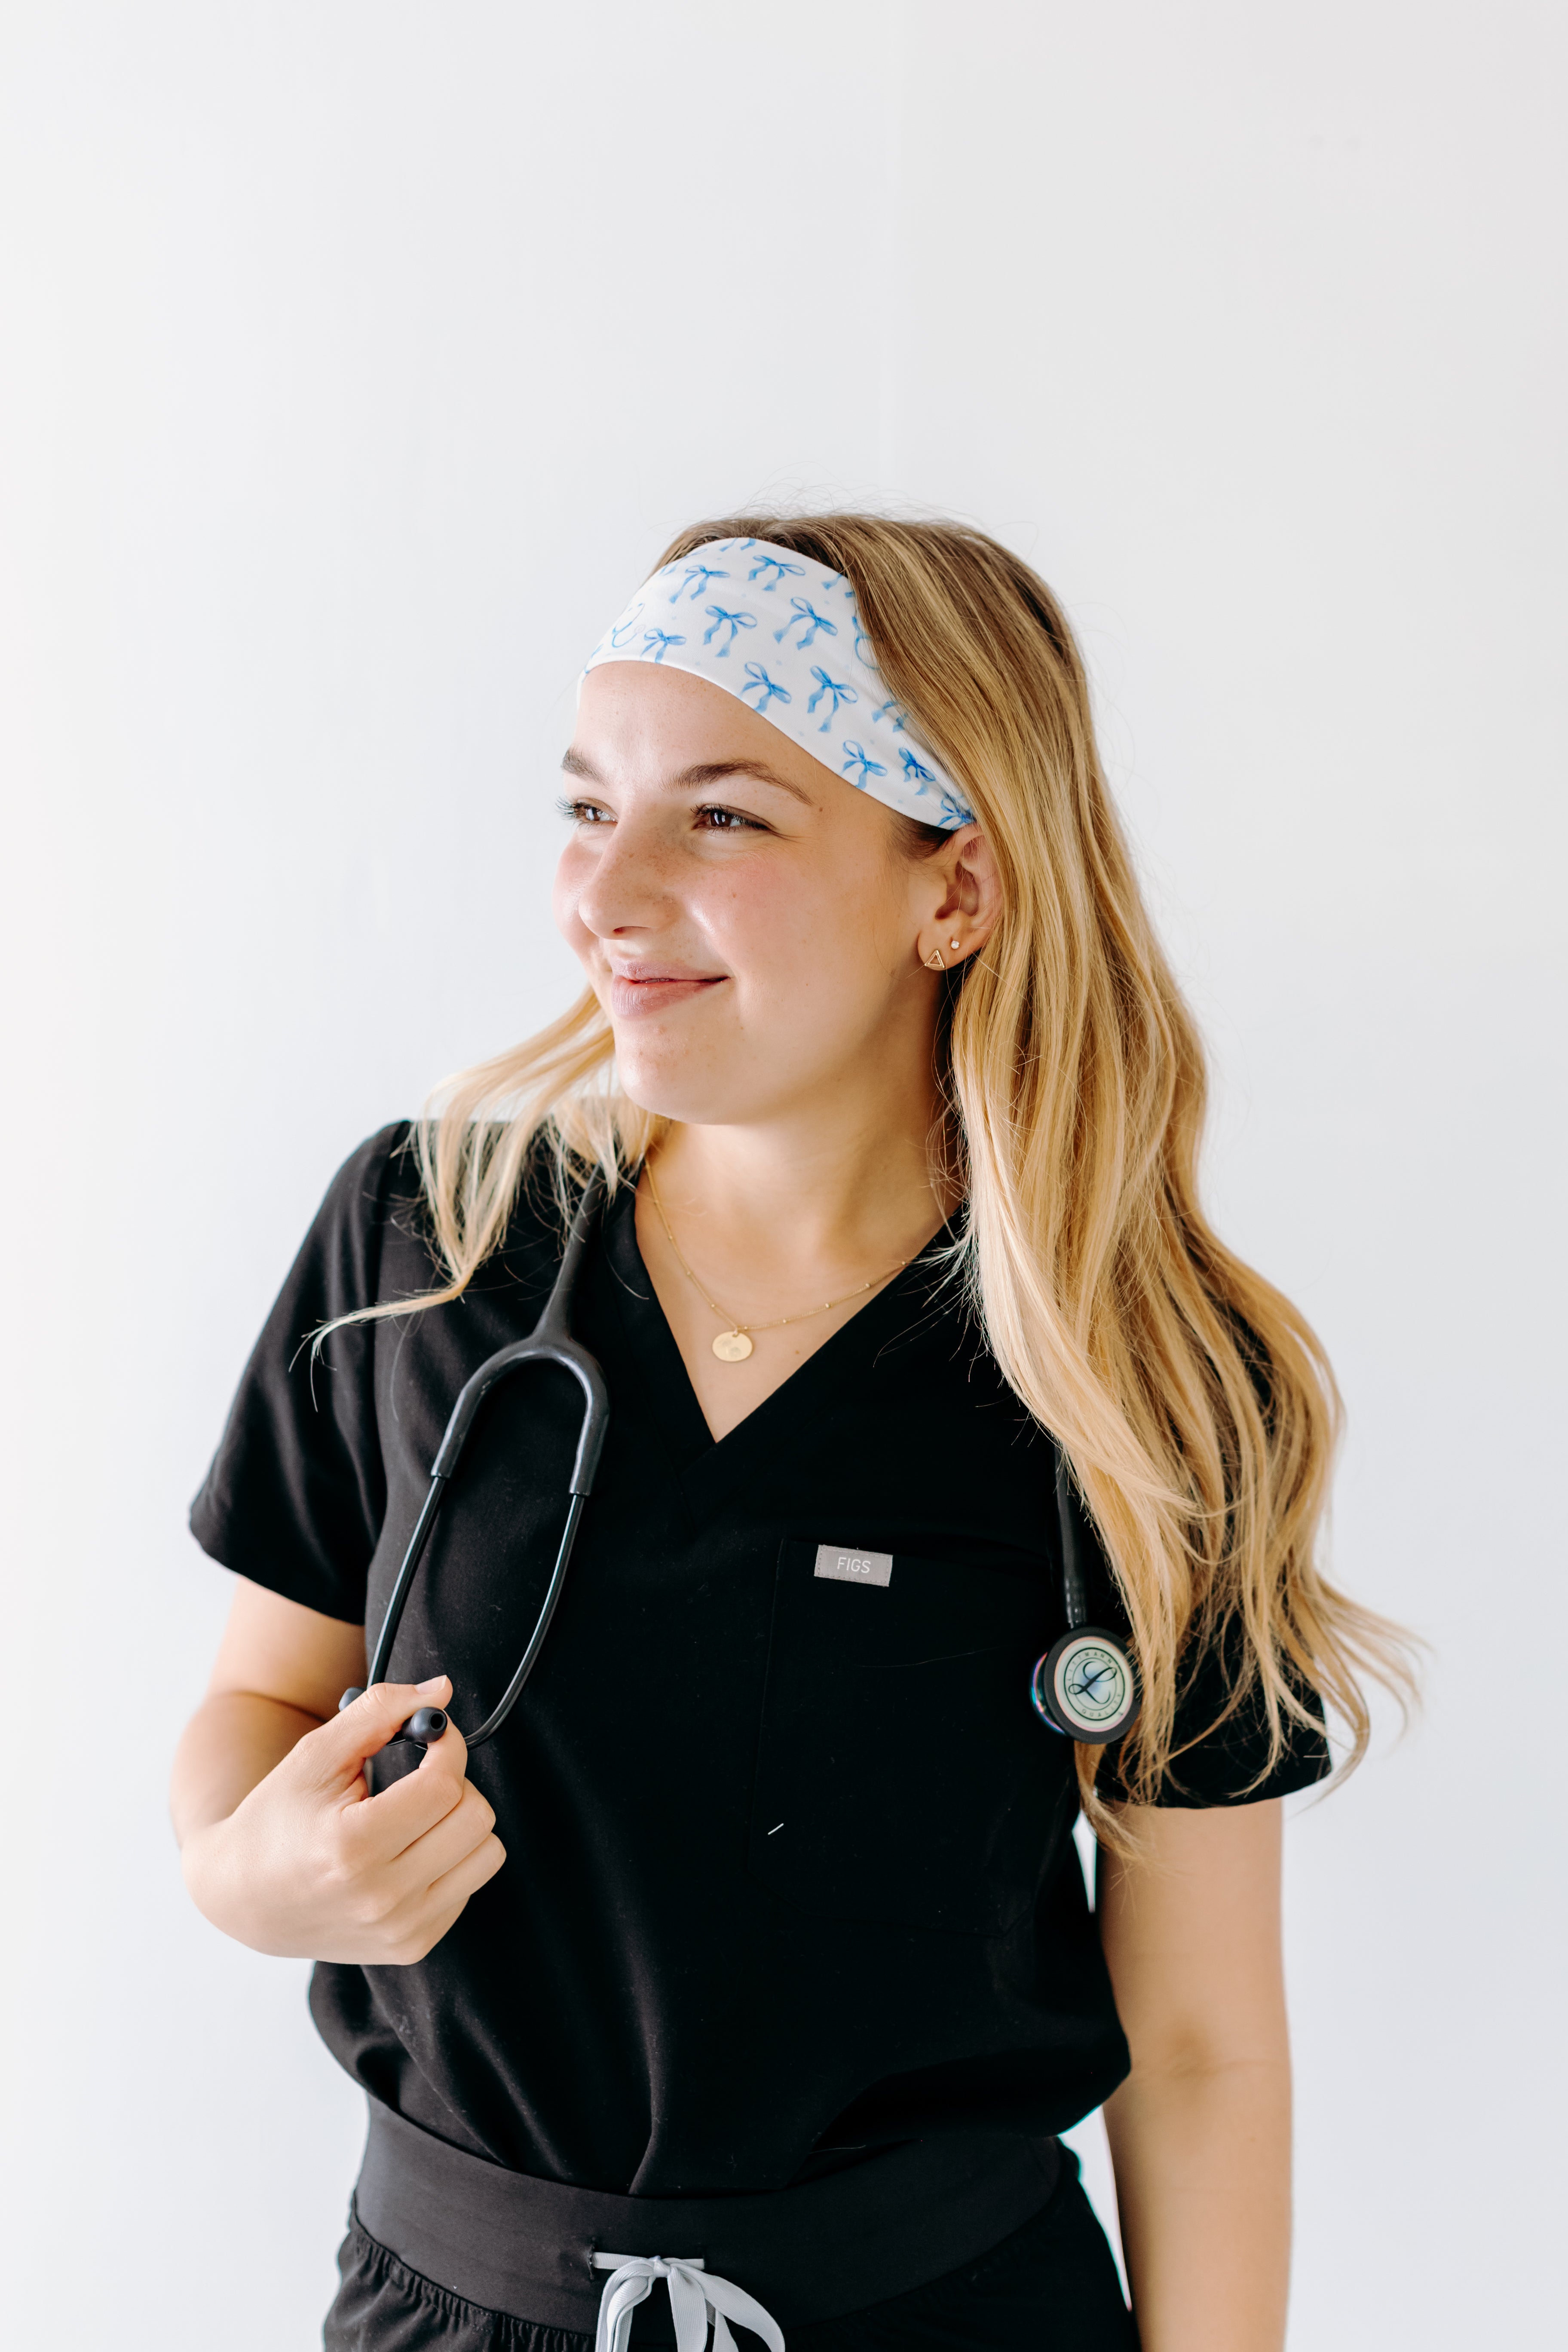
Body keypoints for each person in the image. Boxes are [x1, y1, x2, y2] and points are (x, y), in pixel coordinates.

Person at [172, 516, 1410, 2352]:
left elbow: (1209, 2045)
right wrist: (247, 1876)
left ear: (958, 893)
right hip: (452, 2311)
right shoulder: (426, 1248)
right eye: (589, 807)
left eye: (725, 816)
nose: (608, 891)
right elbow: (259, 1708)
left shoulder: (1149, 1379)